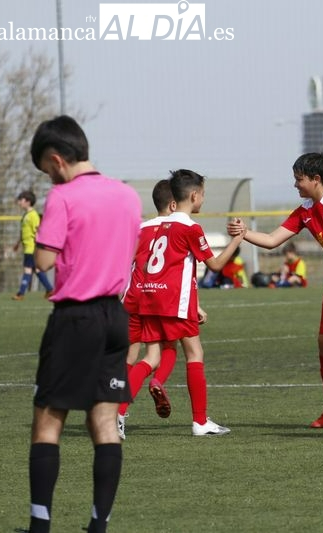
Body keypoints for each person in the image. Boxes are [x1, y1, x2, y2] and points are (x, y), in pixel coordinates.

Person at [24, 115, 142, 533]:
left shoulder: (64, 197)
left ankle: (40, 526)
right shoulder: (128, 196)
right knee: (105, 422)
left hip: (75, 317)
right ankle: (98, 525)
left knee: (48, 419)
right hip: (115, 316)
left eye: (47, 170)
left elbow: (43, 261)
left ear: (56, 160)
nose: (51, 179)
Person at [230, 152, 323, 429]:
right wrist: (243, 233)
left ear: (316, 179)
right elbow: (272, 239)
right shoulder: (305, 210)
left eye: (298, 179)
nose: (295, 185)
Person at [135, 169, 245, 437]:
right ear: (194, 195)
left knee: (150, 356)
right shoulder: (190, 227)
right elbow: (216, 265)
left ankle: (118, 413)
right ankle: (200, 421)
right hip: (175, 302)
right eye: (203, 195)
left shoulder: (156, 225)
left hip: (149, 298)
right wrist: (237, 239)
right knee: (194, 353)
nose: (203, 199)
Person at [117, 179, 179, 437]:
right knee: (165, 350)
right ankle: (156, 382)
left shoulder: (140, 228)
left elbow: (124, 262)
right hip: (158, 298)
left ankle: (116, 411)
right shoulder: (178, 227)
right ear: (175, 203)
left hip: (131, 298)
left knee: (131, 359)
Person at [12, 190, 54, 300]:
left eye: (21, 200)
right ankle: (50, 290)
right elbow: (23, 231)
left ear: (28, 202)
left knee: (27, 269)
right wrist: (17, 243)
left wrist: (40, 246)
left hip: (32, 248)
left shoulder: (33, 215)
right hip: (27, 247)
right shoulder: (26, 215)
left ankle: (20, 294)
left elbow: (38, 230)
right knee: (37, 270)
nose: (19, 202)